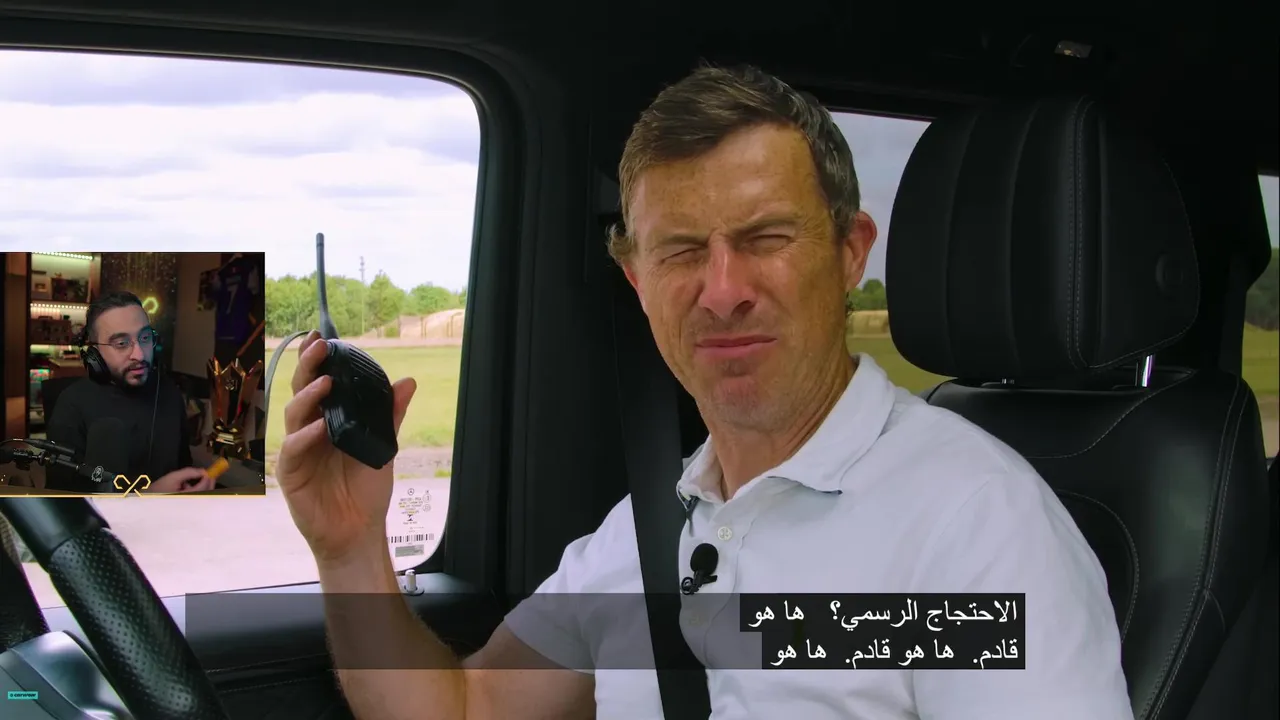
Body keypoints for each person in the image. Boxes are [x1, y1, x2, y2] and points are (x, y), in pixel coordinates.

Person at [276, 65, 1133, 719]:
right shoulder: (648, 528)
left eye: (766, 238)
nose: (722, 291)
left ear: (849, 252)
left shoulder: (975, 527)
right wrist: (350, 550)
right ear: (636, 280)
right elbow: (468, 708)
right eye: (681, 251)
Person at [45, 290, 214, 495]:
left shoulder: (169, 392)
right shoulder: (71, 405)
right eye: (121, 343)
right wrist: (148, 496)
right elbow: (62, 499)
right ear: (94, 353)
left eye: (145, 337)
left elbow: (181, 463)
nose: (139, 355)